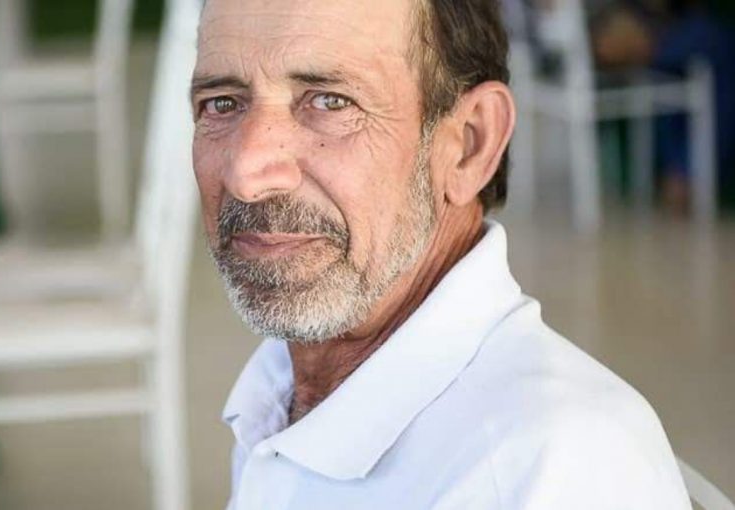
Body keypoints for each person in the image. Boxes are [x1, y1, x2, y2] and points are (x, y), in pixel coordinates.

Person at [190, 0, 691, 508]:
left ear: (470, 145)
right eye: (222, 103)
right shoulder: (282, 382)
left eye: (331, 101)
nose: (246, 173)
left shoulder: (554, 473)